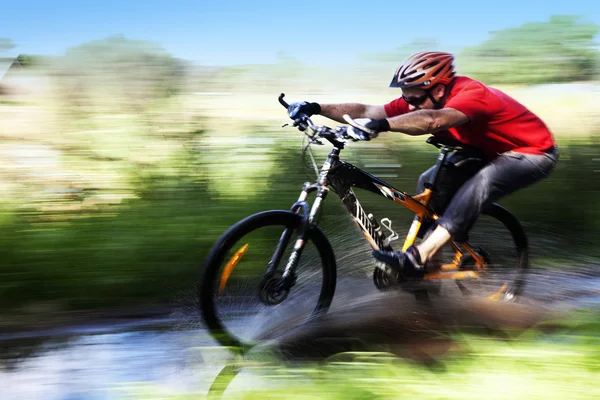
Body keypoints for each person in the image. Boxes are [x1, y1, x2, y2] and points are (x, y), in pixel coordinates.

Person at [287, 51, 558, 279]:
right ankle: (429, 271)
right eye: (407, 99)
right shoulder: (419, 97)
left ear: (439, 89)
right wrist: (314, 106)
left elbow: (433, 121)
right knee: (428, 186)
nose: (410, 105)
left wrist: (382, 126)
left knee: (482, 184)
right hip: (483, 151)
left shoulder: (472, 94)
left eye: (415, 99)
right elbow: (367, 111)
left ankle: (419, 257)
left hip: (531, 153)